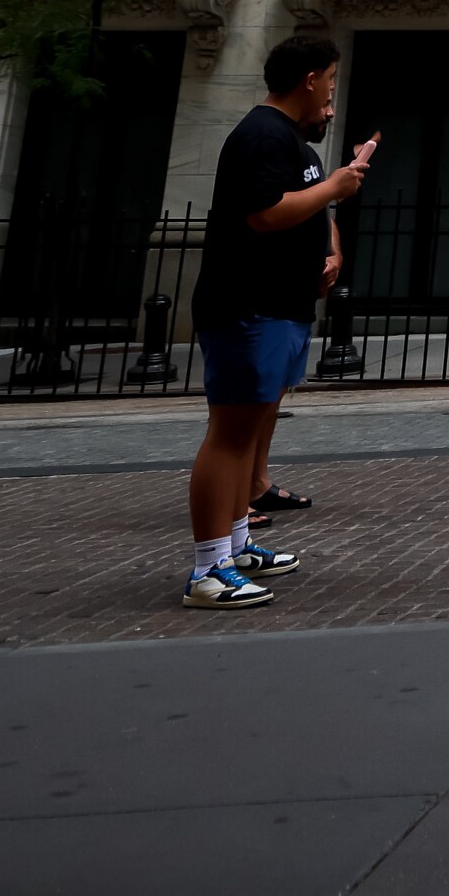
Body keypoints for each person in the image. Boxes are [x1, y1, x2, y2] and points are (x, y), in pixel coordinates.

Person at [181, 36, 375, 610]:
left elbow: (298, 212)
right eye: (331, 83)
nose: (332, 98)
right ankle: (208, 569)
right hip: (249, 304)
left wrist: (325, 250)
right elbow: (263, 214)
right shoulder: (263, 134)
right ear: (309, 79)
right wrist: (334, 186)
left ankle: (237, 544)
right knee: (231, 433)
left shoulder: (288, 139)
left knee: (252, 428)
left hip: (278, 305)